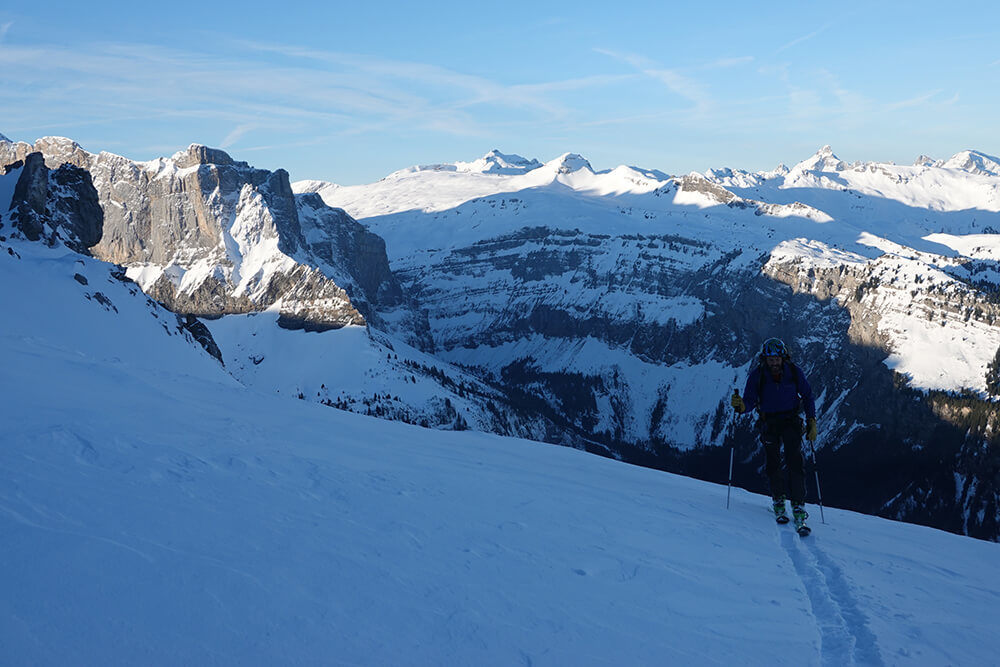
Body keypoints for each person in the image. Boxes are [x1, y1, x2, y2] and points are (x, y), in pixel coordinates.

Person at [730, 337, 817, 528]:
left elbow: (808, 395)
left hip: (791, 421)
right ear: (765, 360)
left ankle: (798, 504)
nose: (774, 363)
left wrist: (812, 420)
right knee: (773, 463)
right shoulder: (757, 376)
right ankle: (779, 500)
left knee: (795, 462)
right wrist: (741, 406)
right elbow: (750, 401)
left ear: (783, 358)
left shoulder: (794, 372)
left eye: (777, 359)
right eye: (771, 360)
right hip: (769, 422)